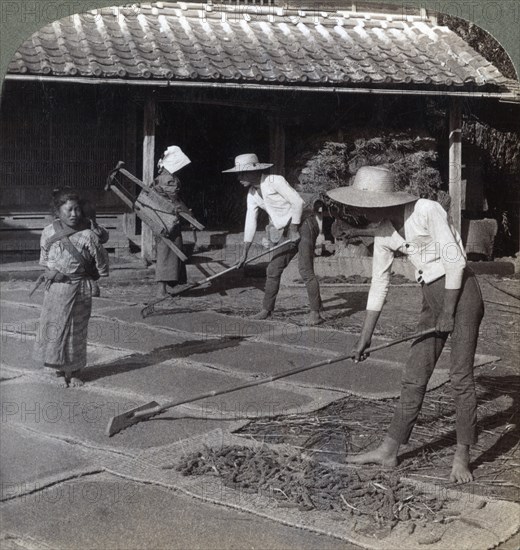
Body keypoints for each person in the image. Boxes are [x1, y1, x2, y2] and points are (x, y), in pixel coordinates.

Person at [327, 166, 484, 484]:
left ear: (387, 200)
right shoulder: (384, 233)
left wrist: (449, 312)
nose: (365, 212)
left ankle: (462, 456)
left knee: (460, 378)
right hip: (432, 299)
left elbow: (454, 261)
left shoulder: (427, 210)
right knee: (414, 376)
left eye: (369, 205)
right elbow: (378, 286)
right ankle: (389, 449)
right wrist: (364, 338)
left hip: (463, 294)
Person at [222, 153, 323, 325]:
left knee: (305, 269)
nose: (239, 178)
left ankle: (316, 312)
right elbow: (250, 222)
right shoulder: (252, 194)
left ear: (254, 171)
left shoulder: (274, 180)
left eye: (242, 173)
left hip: (304, 223)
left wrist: (293, 230)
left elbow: (297, 203)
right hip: (286, 228)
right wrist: (244, 253)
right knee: (273, 269)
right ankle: (266, 309)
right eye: (238, 174)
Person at [34, 188, 109, 387]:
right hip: (57, 287)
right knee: (55, 328)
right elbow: (44, 258)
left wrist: (94, 276)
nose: (74, 214)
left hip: (80, 288)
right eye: (69, 210)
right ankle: (58, 370)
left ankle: (75, 371)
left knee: (77, 329)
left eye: (77, 210)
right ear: (57, 212)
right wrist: (52, 271)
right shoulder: (49, 232)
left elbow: (102, 261)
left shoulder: (88, 235)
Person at [151, 146, 191, 298]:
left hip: (161, 218)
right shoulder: (169, 179)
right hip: (167, 219)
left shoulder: (160, 176)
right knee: (167, 251)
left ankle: (169, 285)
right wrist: (187, 213)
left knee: (172, 248)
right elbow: (174, 199)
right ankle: (161, 289)